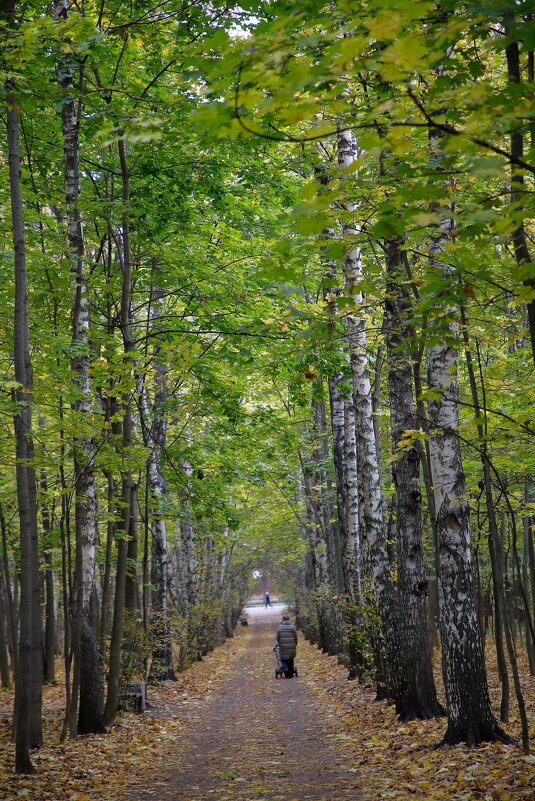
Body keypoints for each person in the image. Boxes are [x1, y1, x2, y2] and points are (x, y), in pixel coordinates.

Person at [276, 613, 297, 678]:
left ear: (283, 619)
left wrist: (278, 644)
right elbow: (295, 636)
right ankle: (291, 674)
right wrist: (295, 643)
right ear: (289, 619)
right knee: (290, 659)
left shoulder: (280, 627)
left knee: (284, 659)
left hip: (283, 646)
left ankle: (286, 672)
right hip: (291, 646)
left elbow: (277, 637)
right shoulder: (293, 627)